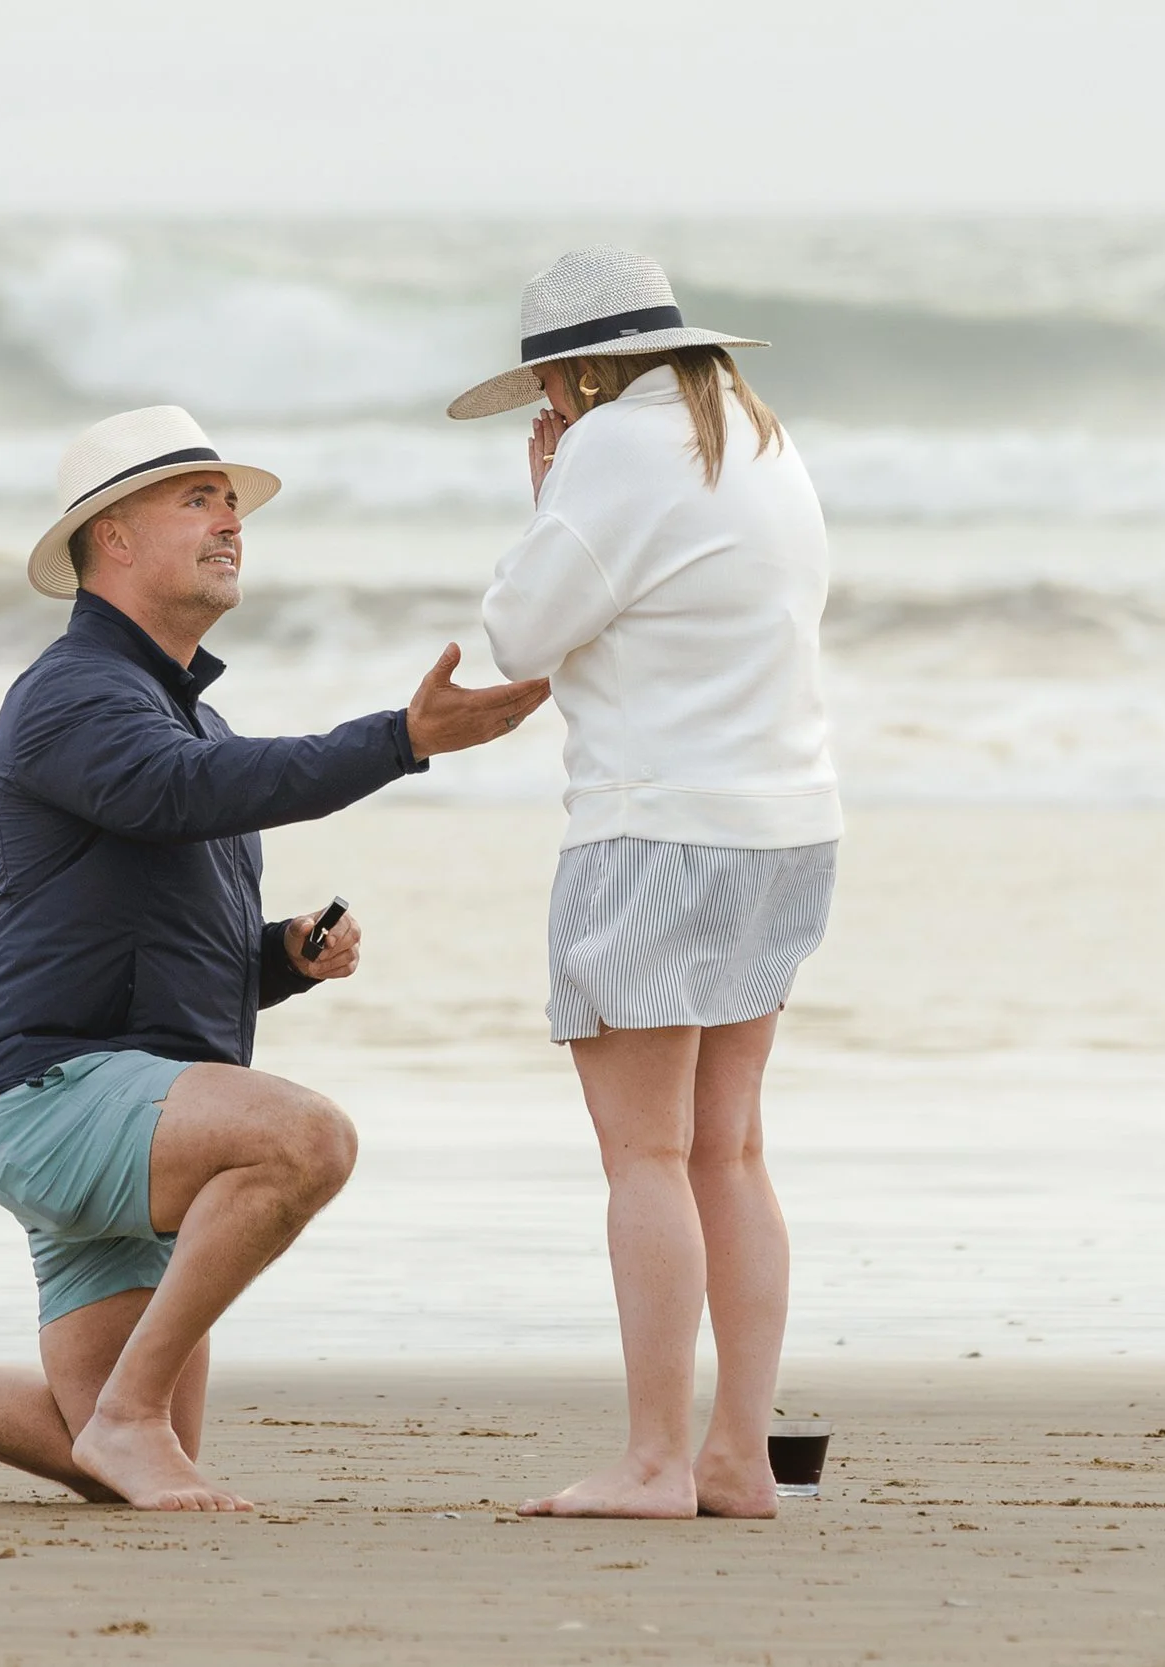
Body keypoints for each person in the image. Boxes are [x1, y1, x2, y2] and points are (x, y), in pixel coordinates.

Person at [0, 405, 548, 1512]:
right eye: (198, 497)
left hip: (130, 1103)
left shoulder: (190, 723)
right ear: (111, 535)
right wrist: (397, 740)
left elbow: (168, 914)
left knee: (121, 1454)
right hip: (54, 1089)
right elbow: (177, 795)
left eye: (232, 502)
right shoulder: (72, 694)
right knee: (305, 1138)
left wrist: (279, 958)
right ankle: (124, 1412)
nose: (230, 521)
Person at [451, 248, 840, 1519]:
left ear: (567, 374)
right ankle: (733, 1454)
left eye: (546, 394)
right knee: (728, 1150)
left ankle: (652, 1460)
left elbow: (516, 629)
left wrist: (544, 494)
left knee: (644, 1155)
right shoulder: (756, 436)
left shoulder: (614, 446)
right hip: (785, 823)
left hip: (655, 828)